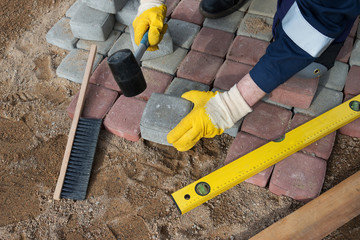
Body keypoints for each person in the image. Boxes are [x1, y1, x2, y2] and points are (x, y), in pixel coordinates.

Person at [133, 0, 360, 152]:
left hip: (326, 6)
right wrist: (151, 3)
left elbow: (319, 19)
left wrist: (231, 106)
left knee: (304, 61)